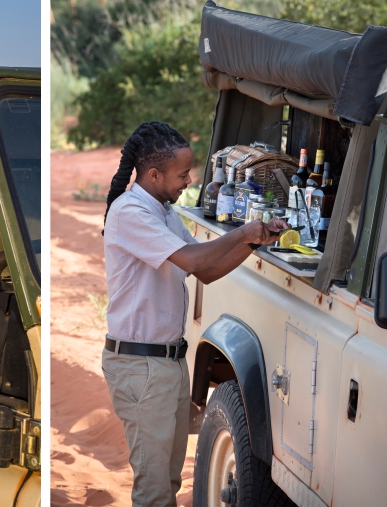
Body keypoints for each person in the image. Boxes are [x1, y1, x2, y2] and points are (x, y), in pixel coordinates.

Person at [101, 121, 282, 507]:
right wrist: (244, 231)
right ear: (153, 174)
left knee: (167, 479)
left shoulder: (163, 212)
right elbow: (193, 257)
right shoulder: (130, 212)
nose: (188, 180)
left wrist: (254, 242)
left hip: (165, 363)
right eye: (182, 174)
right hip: (141, 366)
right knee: (154, 491)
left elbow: (205, 270)